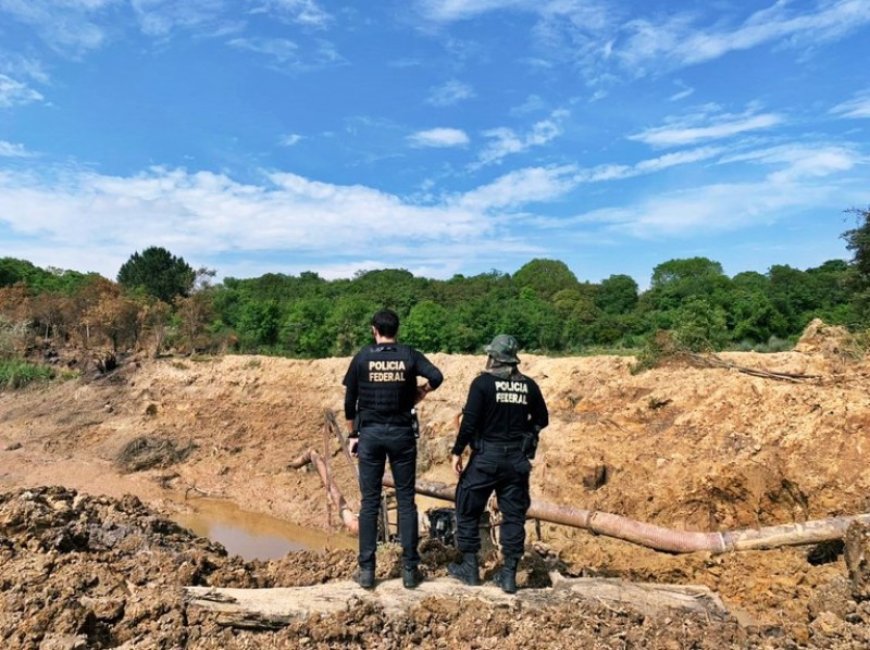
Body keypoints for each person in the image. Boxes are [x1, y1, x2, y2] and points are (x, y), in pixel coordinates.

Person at [343, 308, 443, 590]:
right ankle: (410, 571)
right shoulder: (409, 354)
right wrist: (421, 392)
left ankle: (366, 572)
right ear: (396, 330)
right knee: (406, 501)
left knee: (370, 502)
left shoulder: (363, 356)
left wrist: (353, 434)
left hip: (371, 436)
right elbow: (437, 376)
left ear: (375, 330)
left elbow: (350, 401)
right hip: (402, 436)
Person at [448, 334, 548, 594]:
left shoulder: (482, 384)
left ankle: (470, 569)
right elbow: (542, 419)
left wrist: (457, 452)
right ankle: (508, 577)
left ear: (494, 357)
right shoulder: (529, 385)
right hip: (516, 460)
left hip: (486, 458)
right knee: (514, 516)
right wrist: (525, 432)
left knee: (467, 507)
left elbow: (468, 423)